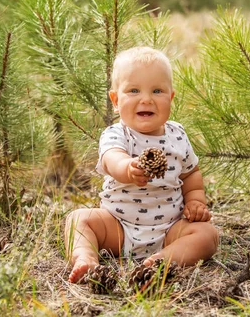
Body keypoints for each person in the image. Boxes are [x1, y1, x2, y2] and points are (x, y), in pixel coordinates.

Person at [65, 46, 218, 283]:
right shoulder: (116, 133)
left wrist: (196, 201)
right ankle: (86, 259)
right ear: (115, 100)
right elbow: (112, 158)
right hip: (117, 227)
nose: (146, 99)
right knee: (79, 219)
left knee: (208, 235)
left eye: (157, 91)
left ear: (171, 97)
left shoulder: (178, 135)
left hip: (170, 229)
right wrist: (128, 167)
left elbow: (191, 174)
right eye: (134, 90)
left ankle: (162, 260)